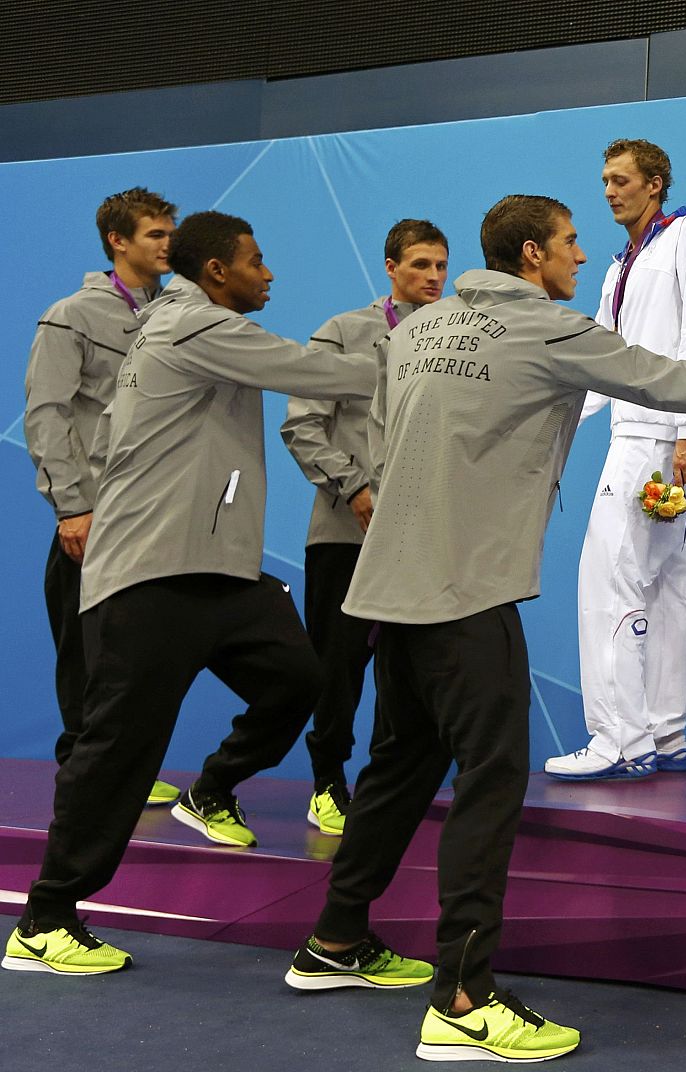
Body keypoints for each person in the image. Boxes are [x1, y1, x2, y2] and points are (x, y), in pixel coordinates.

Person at [289, 194, 686, 1064]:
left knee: (400, 767)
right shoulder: (549, 330)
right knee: (492, 778)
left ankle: (334, 940)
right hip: (464, 594)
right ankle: (465, 998)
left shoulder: (412, 331)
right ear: (531, 256)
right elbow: (669, 377)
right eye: (567, 243)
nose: (581, 256)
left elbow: (380, 445)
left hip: (388, 591)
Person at [4, 210, 381, 978]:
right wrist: (442, 357)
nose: (268, 273)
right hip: (151, 572)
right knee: (117, 746)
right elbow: (326, 373)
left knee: (299, 677)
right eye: (256, 260)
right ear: (217, 273)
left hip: (217, 573)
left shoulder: (185, 325)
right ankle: (46, 919)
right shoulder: (195, 327)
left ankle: (210, 791)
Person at [546, 139, 686, 780]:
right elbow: (600, 358)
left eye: (621, 180)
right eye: (603, 181)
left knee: (609, 581)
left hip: (656, 438)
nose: (609, 191)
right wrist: (557, 421)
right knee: (669, 584)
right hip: (634, 429)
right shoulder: (623, 260)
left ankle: (618, 740)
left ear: (655, 183)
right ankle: (665, 730)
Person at [281, 219, 450, 833]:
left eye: (440, 266)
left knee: (409, 668)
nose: (433, 278)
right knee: (338, 664)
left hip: (420, 537)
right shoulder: (344, 332)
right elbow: (302, 424)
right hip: (344, 534)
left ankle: (387, 786)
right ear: (389, 266)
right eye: (420, 265)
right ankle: (327, 783)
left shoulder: (452, 338)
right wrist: (354, 487)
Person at [22, 187, 182, 807]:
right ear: (118, 241)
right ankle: (82, 773)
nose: (169, 244)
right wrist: (71, 507)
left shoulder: (177, 314)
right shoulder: (73, 315)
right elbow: (46, 415)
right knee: (86, 652)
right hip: (92, 517)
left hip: (155, 516)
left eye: (171, 233)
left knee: (137, 654)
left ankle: (123, 769)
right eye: (155, 234)